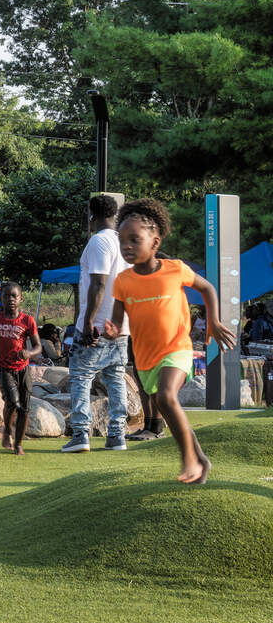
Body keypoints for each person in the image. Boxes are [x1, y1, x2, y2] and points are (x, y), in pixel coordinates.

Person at [103, 197, 235, 484]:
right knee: (164, 403)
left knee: (165, 396)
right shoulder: (123, 281)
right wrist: (112, 330)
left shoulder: (175, 269)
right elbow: (117, 318)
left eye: (134, 239)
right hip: (145, 357)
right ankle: (200, 459)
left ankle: (188, 460)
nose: (127, 246)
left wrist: (213, 321)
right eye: (122, 240)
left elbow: (207, 288)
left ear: (155, 242)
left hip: (177, 349)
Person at [0, 282, 39, 456]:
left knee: (24, 408)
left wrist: (28, 353)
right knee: (13, 401)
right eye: (6, 296)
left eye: (14, 296)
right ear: (1, 299)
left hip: (23, 368)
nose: (10, 299)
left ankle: (18, 444)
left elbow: (38, 346)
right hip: (2, 367)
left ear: (21, 299)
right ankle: (7, 430)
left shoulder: (27, 320)